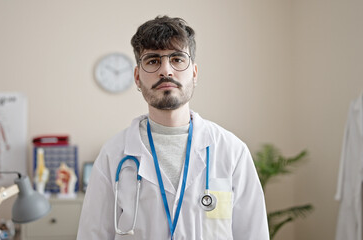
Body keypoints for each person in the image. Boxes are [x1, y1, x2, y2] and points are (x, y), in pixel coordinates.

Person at [77, 16, 269, 239]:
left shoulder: (232, 151)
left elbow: (253, 234)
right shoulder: (113, 155)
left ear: (194, 73)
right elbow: (93, 235)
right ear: (137, 77)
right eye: (152, 61)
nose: (166, 70)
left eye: (177, 59)